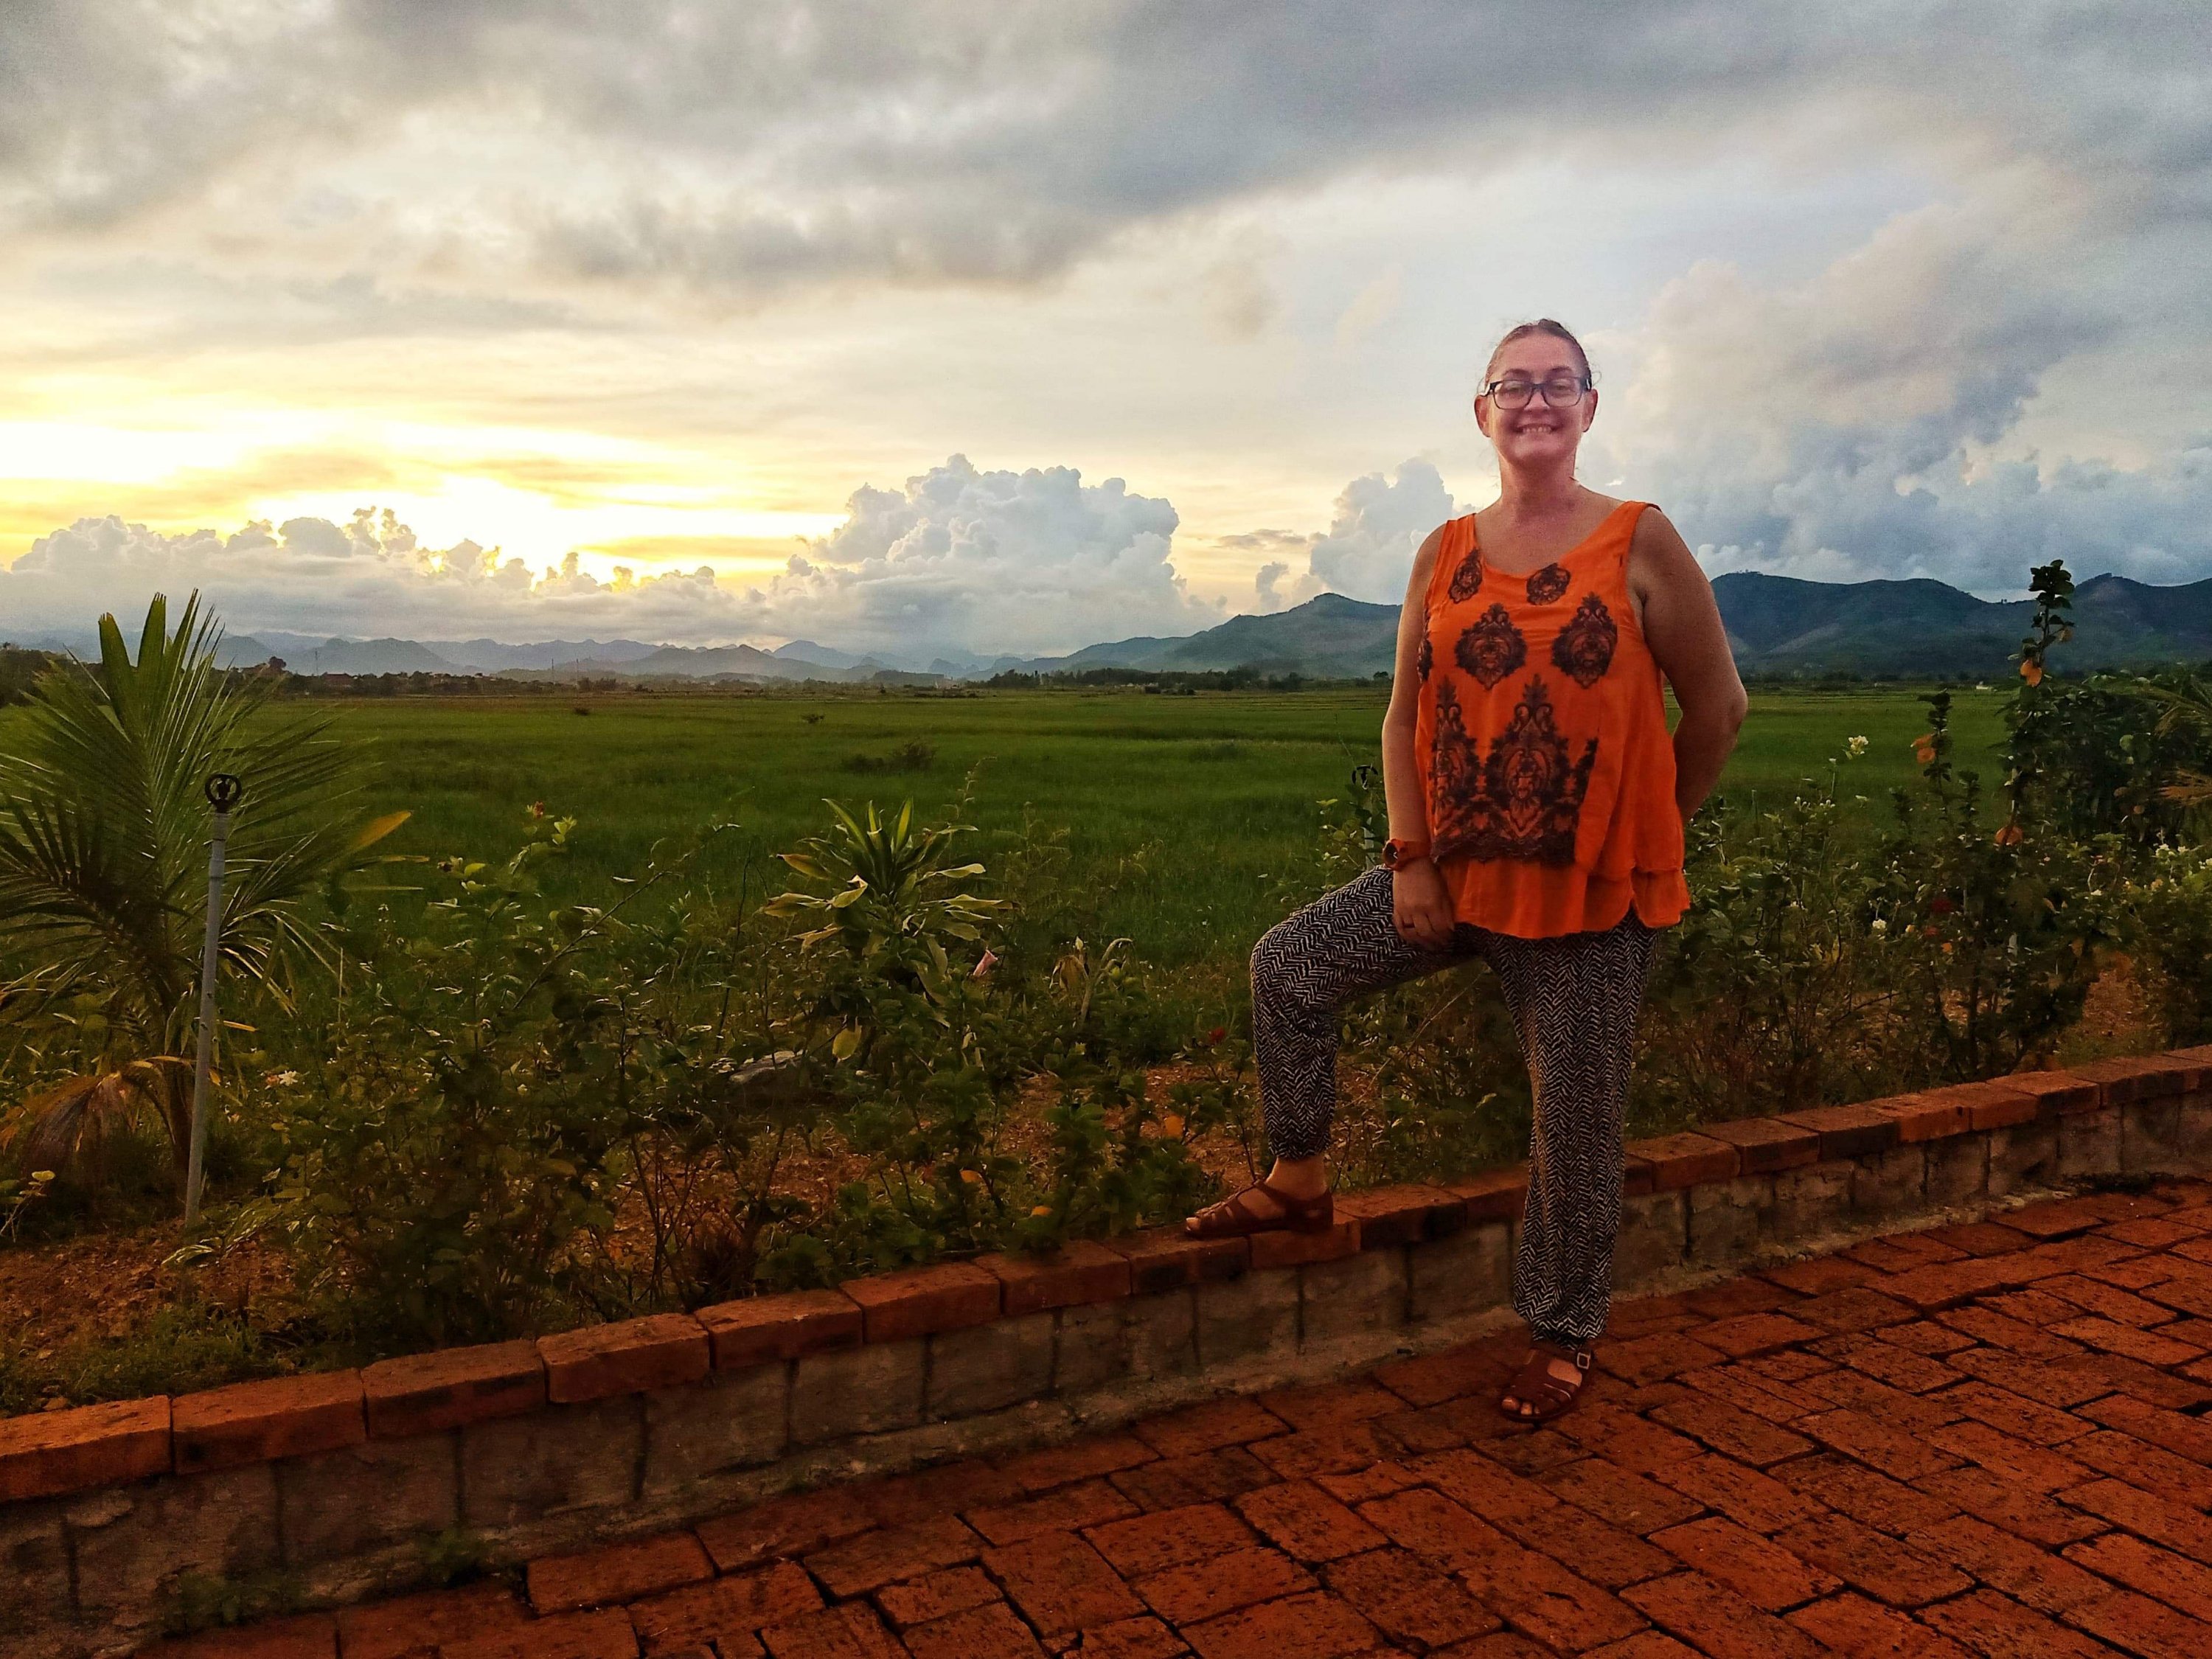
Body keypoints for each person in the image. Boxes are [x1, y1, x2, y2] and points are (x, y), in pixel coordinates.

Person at [1186, 319, 1746, 1423]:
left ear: (1591, 407)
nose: (1536, 402)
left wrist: (1653, 837)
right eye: (1514, 385)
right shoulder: (1442, 552)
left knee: (1574, 1124)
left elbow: (1719, 706)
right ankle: (1299, 1176)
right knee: (1289, 967)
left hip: (1592, 900)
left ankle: (1564, 1334)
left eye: (1559, 384)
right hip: (1451, 875)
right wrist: (1411, 861)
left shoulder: (1640, 540)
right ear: (1482, 411)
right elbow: (1404, 715)